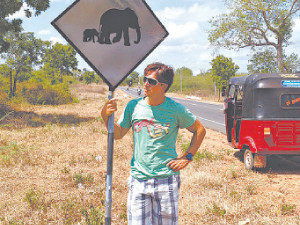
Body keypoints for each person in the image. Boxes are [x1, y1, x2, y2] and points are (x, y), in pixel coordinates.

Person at [101, 62, 206, 225]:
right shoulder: (133, 106)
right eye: (145, 79)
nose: (146, 84)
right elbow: (119, 133)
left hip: (166, 181)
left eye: (151, 81)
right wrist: (105, 116)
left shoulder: (176, 109)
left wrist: (187, 157)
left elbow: (199, 130)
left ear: (163, 86)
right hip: (139, 180)